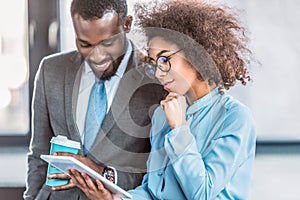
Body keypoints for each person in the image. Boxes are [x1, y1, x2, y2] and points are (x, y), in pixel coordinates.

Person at [67, 0, 257, 200]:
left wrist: (179, 129)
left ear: (196, 54)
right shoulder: (161, 115)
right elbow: (153, 191)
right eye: (153, 61)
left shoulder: (235, 118)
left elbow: (203, 194)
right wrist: (117, 199)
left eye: (165, 60)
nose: (158, 73)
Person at [23, 0, 165, 199]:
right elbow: (38, 154)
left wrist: (104, 173)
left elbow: (159, 172)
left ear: (127, 24)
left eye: (108, 43)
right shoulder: (51, 70)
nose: (97, 57)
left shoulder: (158, 81)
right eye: (85, 44)